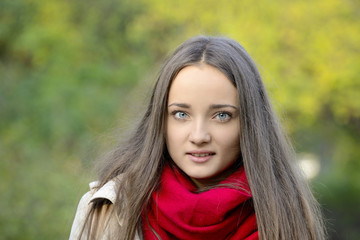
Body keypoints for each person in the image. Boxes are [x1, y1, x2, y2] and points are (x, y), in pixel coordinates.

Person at [69, 36, 326, 240]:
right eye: (181, 114)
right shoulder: (107, 210)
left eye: (222, 116)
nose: (199, 136)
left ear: (249, 124)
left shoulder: (286, 215)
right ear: (161, 120)